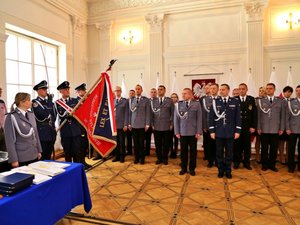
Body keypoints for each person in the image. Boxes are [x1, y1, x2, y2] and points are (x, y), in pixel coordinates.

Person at [209, 84, 241, 179]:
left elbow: (238, 118)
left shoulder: (235, 102)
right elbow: (211, 118)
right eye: (221, 90)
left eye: (223, 89)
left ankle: (228, 171)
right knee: (219, 153)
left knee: (229, 153)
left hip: (231, 132)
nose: (221, 91)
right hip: (218, 132)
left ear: (228, 90)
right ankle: (220, 170)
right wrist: (212, 131)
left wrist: (237, 131)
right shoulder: (215, 102)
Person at [4, 92, 42, 167]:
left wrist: (39, 150)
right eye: (29, 100)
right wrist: (13, 159)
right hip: (22, 157)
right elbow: (9, 141)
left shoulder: (31, 115)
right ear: (22, 102)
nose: (31, 102)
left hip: (34, 154)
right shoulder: (11, 117)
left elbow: (35, 134)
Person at [257, 83, 285, 172]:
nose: (269, 90)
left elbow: (282, 116)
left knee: (274, 148)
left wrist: (281, 128)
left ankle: (272, 165)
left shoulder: (280, 101)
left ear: (274, 89)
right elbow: (258, 116)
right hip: (264, 128)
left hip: (275, 129)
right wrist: (258, 127)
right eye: (267, 88)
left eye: (271, 88)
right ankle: (264, 164)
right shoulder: (260, 101)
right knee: (264, 148)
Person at [174, 88, 202, 176]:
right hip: (182, 132)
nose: (183, 95)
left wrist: (198, 131)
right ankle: (183, 168)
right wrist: (177, 132)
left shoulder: (196, 104)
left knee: (193, 152)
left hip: (193, 132)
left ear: (190, 94)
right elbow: (176, 119)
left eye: (185, 93)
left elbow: (199, 118)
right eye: (182, 93)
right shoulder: (178, 104)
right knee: (183, 151)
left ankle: (192, 168)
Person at [55, 81, 82, 163]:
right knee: (67, 154)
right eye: (65, 89)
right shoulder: (57, 103)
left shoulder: (75, 101)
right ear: (60, 91)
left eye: (68, 89)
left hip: (75, 131)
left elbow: (80, 113)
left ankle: (77, 173)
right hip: (65, 132)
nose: (67, 90)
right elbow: (55, 116)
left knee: (77, 153)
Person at [233, 83, 257, 170]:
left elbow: (254, 114)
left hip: (247, 127)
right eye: (240, 89)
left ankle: (246, 163)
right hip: (237, 127)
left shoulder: (251, 99)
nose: (241, 90)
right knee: (237, 146)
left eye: (243, 89)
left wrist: (253, 126)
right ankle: (236, 162)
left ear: (246, 90)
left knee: (247, 146)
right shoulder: (234, 99)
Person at [32, 80, 56, 160]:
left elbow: (53, 115)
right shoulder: (35, 103)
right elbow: (43, 116)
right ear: (38, 91)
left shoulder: (47, 101)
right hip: (43, 133)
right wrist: (49, 102)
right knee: (43, 156)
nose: (46, 91)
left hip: (51, 131)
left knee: (49, 155)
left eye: (46, 89)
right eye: (44, 89)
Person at [151, 85, 174, 165]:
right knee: (158, 144)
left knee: (166, 144)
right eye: (159, 89)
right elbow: (151, 114)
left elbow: (172, 113)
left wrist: (171, 124)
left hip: (166, 125)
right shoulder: (153, 101)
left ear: (164, 91)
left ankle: (165, 158)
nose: (160, 91)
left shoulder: (169, 101)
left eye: (161, 89)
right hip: (156, 126)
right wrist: (152, 124)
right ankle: (159, 158)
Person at [128, 84, 151, 164]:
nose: (137, 90)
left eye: (139, 89)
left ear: (141, 91)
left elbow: (148, 113)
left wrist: (147, 124)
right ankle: (136, 158)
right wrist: (129, 124)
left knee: (141, 143)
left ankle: (142, 159)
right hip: (133, 125)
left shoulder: (146, 100)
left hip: (142, 125)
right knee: (135, 143)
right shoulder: (131, 100)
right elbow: (129, 113)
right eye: (136, 89)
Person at [75, 83, 92, 169]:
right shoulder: (76, 101)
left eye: (84, 90)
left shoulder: (86, 100)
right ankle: (80, 163)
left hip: (86, 126)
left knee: (85, 145)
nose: (85, 92)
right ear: (78, 92)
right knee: (80, 146)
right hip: (80, 126)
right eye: (83, 91)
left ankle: (84, 162)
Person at [202, 83, 219, 168]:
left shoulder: (221, 99)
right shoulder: (205, 100)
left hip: (219, 127)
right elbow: (204, 114)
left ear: (217, 89)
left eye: (214, 88)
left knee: (218, 145)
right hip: (209, 126)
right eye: (211, 88)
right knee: (209, 145)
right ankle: (210, 161)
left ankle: (217, 161)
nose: (212, 90)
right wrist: (204, 126)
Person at [286, 85, 300, 173]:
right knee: (291, 148)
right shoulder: (290, 102)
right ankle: (291, 166)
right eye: (297, 90)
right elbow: (287, 116)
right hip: (292, 128)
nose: (298, 92)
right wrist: (287, 128)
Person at [113, 86, 128, 163]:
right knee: (116, 142)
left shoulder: (125, 101)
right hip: (114, 126)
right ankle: (117, 156)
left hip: (122, 125)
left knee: (122, 142)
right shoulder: (112, 101)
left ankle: (122, 157)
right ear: (114, 92)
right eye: (116, 91)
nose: (117, 92)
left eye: (118, 91)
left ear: (121, 91)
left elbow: (126, 114)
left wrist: (125, 124)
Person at [278, 86, 293, 164]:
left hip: (291, 126)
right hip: (282, 125)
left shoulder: (293, 101)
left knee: (289, 142)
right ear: (283, 93)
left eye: (289, 92)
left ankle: (287, 156)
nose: (288, 93)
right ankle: (281, 157)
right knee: (281, 142)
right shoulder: (280, 101)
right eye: (286, 91)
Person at [199, 83, 211, 162]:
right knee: (206, 141)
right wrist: (203, 126)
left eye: (208, 88)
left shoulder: (216, 98)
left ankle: (214, 157)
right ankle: (206, 155)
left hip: (215, 125)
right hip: (205, 124)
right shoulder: (201, 99)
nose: (206, 90)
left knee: (214, 143)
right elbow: (200, 113)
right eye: (205, 88)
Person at [254, 86, 266, 163]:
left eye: (263, 91)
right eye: (260, 90)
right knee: (258, 140)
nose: (261, 92)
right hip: (257, 122)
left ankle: (264, 156)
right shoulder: (255, 100)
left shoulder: (267, 100)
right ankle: (257, 155)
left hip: (266, 123)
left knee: (265, 141)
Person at [145, 88, 157, 156]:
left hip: (156, 123)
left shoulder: (159, 101)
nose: (153, 93)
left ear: (156, 93)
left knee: (158, 139)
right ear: (150, 93)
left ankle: (158, 151)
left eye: (154, 92)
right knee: (147, 138)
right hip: (148, 123)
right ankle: (147, 152)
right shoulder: (147, 101)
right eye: (152, 92)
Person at [169, 93, 179, 159]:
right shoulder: (169, 105)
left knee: (176, 139)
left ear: (177, 98)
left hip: (177, 125)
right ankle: (171, 151)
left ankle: (175, 151)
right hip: (170, 125)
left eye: (175, 97)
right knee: (170, 139)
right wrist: (171, 124)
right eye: (172, 97)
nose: (173, 98)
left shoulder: (179, 105)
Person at [126, 89, 135, 156]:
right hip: (127, 123)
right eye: (130, 93)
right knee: (128, 138)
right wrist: (128, 124)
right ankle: (129, 151)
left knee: (135, 139)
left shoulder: (136, 101)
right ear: (129, 94)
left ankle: (136, 151)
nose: (131, 94)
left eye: (132, 93)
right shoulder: (126, 101)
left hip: (135, 123)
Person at [0, 87, 7, 152]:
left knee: (4, 149)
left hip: (3, 129)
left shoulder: (2, 102)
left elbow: (6, 114)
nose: (1, 92)